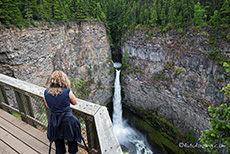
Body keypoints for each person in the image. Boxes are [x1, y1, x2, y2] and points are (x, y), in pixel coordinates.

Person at [44, 71, 82, 154]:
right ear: (64, 80)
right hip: (67, 121)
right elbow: (74, 102)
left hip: (54, 121)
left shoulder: (46, 93)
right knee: (71, 140)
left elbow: (48, 105)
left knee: (58, 143)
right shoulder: (67, 91)